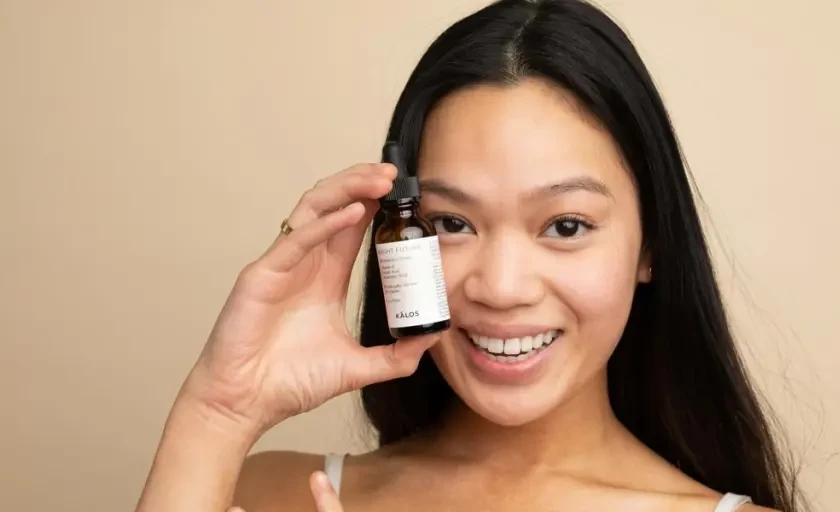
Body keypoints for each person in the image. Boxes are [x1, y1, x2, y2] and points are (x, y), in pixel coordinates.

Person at [136, 0, 804, 510]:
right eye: (453, 222)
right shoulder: (275, 492)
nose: (502, 286)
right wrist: (219, 409)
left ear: (650, 246)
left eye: (566, 226)